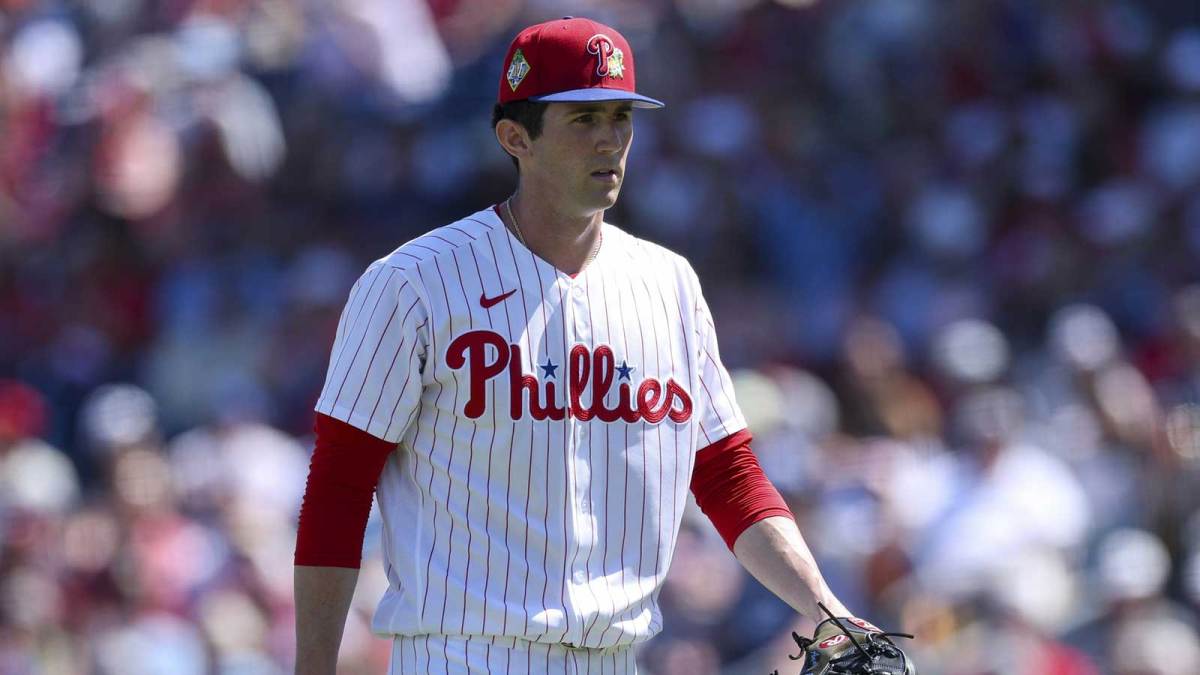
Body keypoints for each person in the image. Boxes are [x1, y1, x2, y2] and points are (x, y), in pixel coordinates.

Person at [294, 16, 855, 674]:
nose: (610, 140)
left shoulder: (668, 284)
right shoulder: (414, 283)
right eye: (583, 120)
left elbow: (727, 475)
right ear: (515, 137)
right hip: (463, 655)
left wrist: (826, 607)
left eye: (622, 118)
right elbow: (339, 485)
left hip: (617, 659)